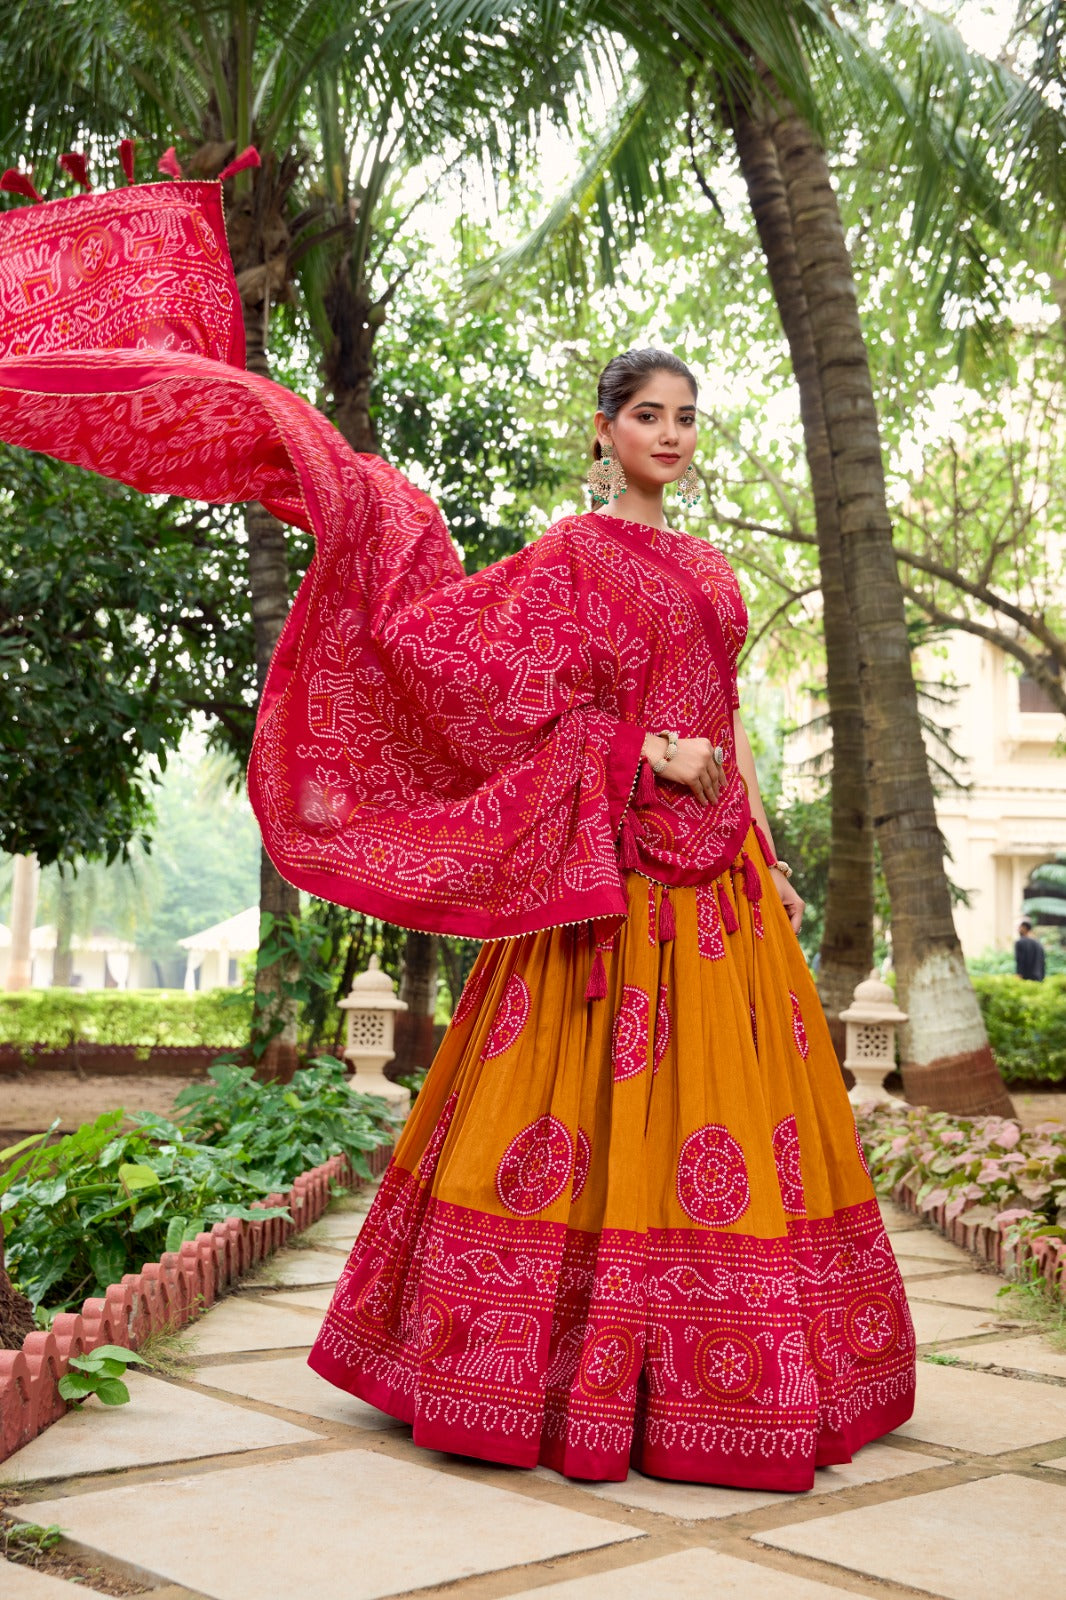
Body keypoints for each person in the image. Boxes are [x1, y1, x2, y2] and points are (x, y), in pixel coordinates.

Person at [0, 170, 914, 1492]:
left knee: (733, 1121)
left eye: (685, 418)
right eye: (647, 415)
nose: (670, 434)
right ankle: (527, 1368)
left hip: (715, 885)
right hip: (606, 876)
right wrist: (628, 751)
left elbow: (723, 713)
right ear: (600, 431)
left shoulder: (711, 567)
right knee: (572, 1114)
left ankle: (737, 1371)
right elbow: (472, 676)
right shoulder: (567, 560)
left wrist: (755, 842)